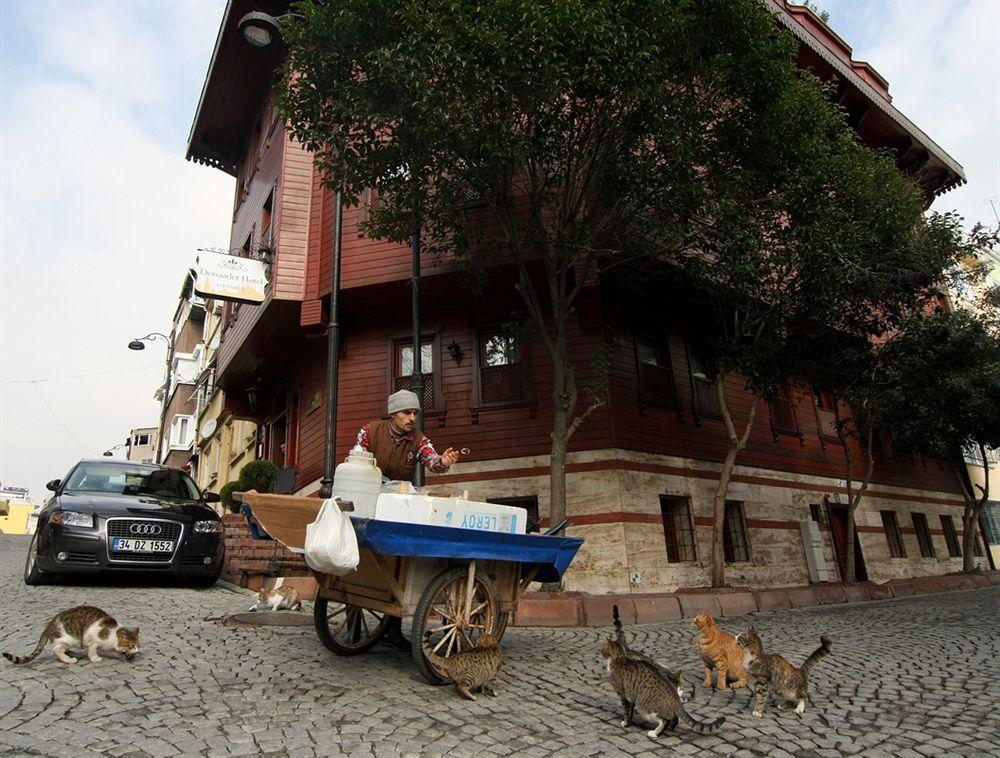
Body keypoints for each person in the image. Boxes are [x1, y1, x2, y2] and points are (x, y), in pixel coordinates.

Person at [355, 388, 463, 649]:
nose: (412, 417)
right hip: (368, 496)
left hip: (397, 505)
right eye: (406, 413)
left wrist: (444, 461)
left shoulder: (419, 440)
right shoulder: (369, 431)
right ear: (393, 413)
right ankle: (355, 616)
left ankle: (392, 626)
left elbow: (433, 462)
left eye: (415, 413)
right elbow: (356, 460)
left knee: (398, 562)